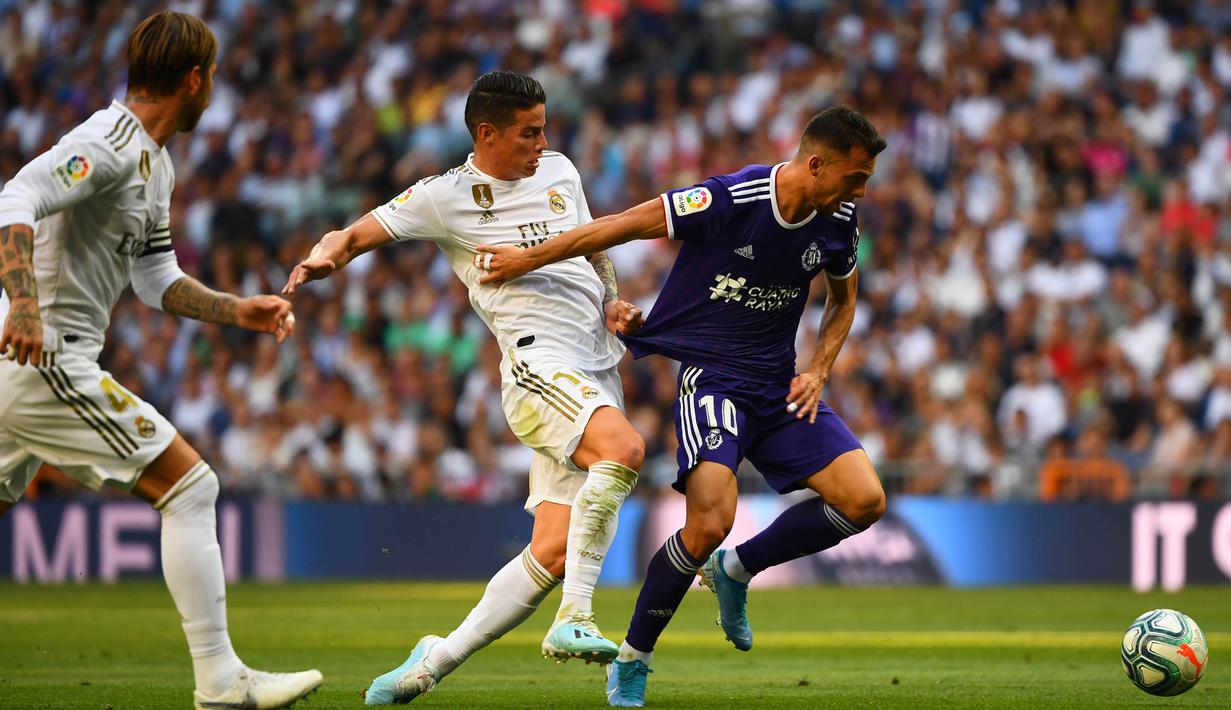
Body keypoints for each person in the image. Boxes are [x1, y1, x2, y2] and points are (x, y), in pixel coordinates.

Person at [476, 105, 889, 707]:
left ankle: (737, 570)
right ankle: (632, 659)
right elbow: (620, 225)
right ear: (816, 163)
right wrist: (526, 259)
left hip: (778, 385)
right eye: (856, 176)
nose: (862, 190)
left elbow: (843, 299)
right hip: (715, 379)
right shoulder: (732, 197)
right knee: (709, 521)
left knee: (865, 500)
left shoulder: (840, 217)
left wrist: (820, 368)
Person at [283, 71, 646, 704]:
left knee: (553, 552)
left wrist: (612, 302)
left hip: (596, 368)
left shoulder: (560, 170)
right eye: (528, 133)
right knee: (624, 450)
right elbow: (356, 234)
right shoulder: (443, 196)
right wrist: (325, 257)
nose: (541, 143)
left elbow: (594, 249)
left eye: (543, 130)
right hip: (538, 366)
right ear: (487, 133)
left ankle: (431, 662)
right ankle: (576, 618)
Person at [0, 11, 321, 710]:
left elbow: (156, 279)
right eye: (212, 80)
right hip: (44, 355)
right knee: (191, 487)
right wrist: (23, 303)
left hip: (23, 367)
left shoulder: (156, 162)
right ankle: (220, 680)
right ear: (194, 79)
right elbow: (15, 195)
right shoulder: (106, 144)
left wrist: (238, 309)